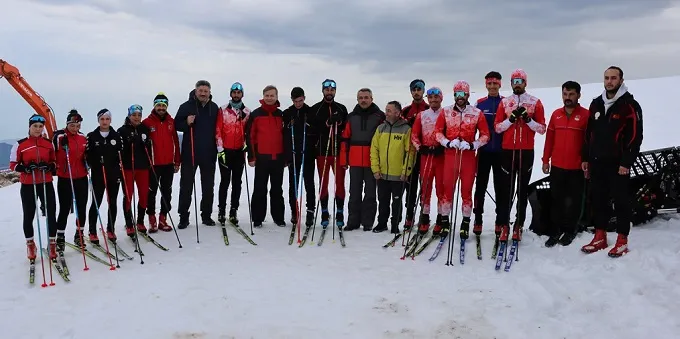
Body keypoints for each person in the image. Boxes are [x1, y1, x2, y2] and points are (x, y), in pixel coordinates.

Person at [581, 66, 643, 257]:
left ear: (621, 80)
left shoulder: (630, 105)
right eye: (607, 78)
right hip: (597, 161)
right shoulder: (596, 104)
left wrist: (626, 162)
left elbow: (635, 137)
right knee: (598, 199)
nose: (609, 81)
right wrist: (586, 158)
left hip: (618, 165)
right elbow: (588, 134)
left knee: (621, 201)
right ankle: (600, 235)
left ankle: (622, 239)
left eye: (613, 78)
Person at [493, 69, 546, 244]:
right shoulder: (505, 103)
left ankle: (519, 224)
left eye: (520, 81)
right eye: (514, 81)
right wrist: (510, 120)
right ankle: (504, 224)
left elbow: (542, 128)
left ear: (525, 83)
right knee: (506, 190)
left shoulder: (534, 102)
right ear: (511, 83)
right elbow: (497, 127)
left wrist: (528, 120)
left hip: (526, 151)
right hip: (508, 151)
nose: (517, 84)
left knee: (522, 189)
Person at [435, 81, 490, 239]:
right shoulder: (445, 112)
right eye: (457, 94)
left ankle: (465, 222)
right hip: (450, 156)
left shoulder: (476, 113)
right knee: (447, 192)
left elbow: (486, 135)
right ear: (454, 95)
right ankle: (445, 222)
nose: (460, 97)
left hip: (467, 157)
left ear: (467, 95)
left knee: (466, 192)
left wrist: (473, 145)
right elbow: (438, 132)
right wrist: (447, 142)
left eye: (463, 94)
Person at [542, 81, 590, 247]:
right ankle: (556, 230)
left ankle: (570, 230)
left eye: (571, 94)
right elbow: (549, 140)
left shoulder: (586, 115)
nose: (567, 98)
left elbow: (589, 141)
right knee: (556, 199)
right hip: (557, 166)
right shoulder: (556, 115)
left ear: (578, 95)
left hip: (577, 167)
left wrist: (587, 160)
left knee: (574, 200)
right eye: (565, 94)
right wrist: (545, 160)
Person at [11, 114, 58, 260]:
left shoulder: (48, 143)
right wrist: (24, 168)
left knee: (51, 213)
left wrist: (50, 166)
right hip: (28, 184)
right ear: (29, 127)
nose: (38, 129)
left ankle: (52, 244)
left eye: (40, 126)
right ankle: (30, 244)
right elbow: (13, 165)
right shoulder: (20, 144)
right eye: (35, 126)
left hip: (45, 182)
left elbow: (55, 162)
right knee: (29, 214)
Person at [175, 80, 220, 228]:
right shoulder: (186, 107)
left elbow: (218, 129)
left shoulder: (214, 108)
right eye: (200, 90)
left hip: (208, 154)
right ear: (195, 91)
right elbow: (176, 125)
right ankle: (183, 216)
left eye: (205, 91)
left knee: (208, 186)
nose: (203, 93)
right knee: (186, 186)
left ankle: (206, 215)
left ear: (209, 92)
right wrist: (186, 123)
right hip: (190, 153)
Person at [341, 88, 385, 231]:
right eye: (361, 98)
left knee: (371, 194)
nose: (363, 100)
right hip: (354, 161)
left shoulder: (380, 116)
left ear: (372, 98)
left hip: (372, 162)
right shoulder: (351, 117)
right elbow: (345, 139)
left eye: (366, 97)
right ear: (357, 99)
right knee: (354, 192)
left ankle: (367, 222)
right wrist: (343, 159)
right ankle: (353, 222)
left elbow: (384, 141)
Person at [370, 101, 414, 233]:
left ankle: (395, 224)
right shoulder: (380, 128)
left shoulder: (406, 129)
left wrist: (406, 171)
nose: (386, 113)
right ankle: (382, 223)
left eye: (389, 110)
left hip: (398, 175)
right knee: (382, 200)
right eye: (386, 110)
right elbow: (374, 149)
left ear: (397, 112)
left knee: (396, 202)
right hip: (382, 174)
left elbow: (410, 152)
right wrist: (375, 169)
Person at [309, 79, 349, 228]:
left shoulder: (342, 108)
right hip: (322, 152)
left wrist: (339, 123)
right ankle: (324, 212)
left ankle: (339, 212)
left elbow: (347, 129)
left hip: (338, 152)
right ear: (323, 91)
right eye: (327, 90)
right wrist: (326, 124)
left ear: (335, 91)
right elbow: (312, 129)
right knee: (323, 183)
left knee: (340, 183)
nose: (329, 92)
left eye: (332, 90)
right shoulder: (316, 109)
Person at [246, 85, 286, 227]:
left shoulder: (281, 115)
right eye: (267, 95)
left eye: (272, 95)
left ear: (276, 97)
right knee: (260, 189)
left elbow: (286, 137)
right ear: (263, 97)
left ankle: (278, 217)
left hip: (278, 158)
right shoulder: (256, 114)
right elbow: (250, 137)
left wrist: (286, 157)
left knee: (277, 189)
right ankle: (257, 218)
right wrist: (251, 156)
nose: (269, 98)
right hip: (262, 158)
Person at [472, 71, 504, 237]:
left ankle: (500, 220)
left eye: (495, 84)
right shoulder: (480, 104)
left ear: (500, 84)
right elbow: (473, 126)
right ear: (486, 85)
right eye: (490, 84)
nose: (492, 87)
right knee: (480, 187)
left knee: (501, 187)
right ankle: (478, 219)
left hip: (501, 152)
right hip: (483, 152)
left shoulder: (506, 103)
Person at [142, 92, 180, 232]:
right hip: (153, 164)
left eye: (163, 105)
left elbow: (176, 141)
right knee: (151, 192)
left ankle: (163, 218)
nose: (161, 108)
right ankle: (151, 218)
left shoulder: (171, 121)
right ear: (154, 106)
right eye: (158, 105)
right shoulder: (147, 122)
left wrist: (177, 161)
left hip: (168, 164)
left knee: (166, 192)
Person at [86, 109, 124, 242]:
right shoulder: (91, 136)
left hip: (113, 174)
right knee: (96, 202)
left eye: (107, 119)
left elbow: (121, 153)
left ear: (110, 120)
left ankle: (111, 229)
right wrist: (93, 162)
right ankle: (92, 231)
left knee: (112, 202)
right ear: (98, 120)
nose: (104, 121)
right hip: (98, 174)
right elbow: (87, 155)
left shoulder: (116, 136)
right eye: (102, 119)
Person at [411, 87, 445, 234]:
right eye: (430, 98)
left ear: (441, 98)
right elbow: (414, 135)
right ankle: (424, 218)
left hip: (441, 156)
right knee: (425, 188)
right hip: (426, 156)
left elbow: (450, 133)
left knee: (441, 189)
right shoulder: (422, 115)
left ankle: (440, 218)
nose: (433, 100)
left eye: (436, 98)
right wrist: (420, 148)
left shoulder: (447, 113)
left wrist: (444, 147)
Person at [53, 110, 88, 250]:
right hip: (65, 178)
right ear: (67, 124)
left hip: (81, 177)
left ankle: (79, 235)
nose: (74, 128)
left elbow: (85, 154)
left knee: (81, 208)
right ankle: (60, 237)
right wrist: (59, 139)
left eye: (77, 125)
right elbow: (53, 149)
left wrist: (88, 159)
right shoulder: (60, 136)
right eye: (72, 125)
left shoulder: (82, 137)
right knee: (65, 208)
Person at [215, 82, 250, 226]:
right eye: (234, 92)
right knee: (225, 181)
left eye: (239, 93)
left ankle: (233, 210)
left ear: (242, 94)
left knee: (237, 182)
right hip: (225, 151)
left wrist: (246, 144)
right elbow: (217, 130)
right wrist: (220, 149)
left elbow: (249, 132)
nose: (236, 95)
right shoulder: (222, 110)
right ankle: (221, 210)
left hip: (239, 152)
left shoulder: (247, 112)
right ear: (231, 94)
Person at [283, 86, 316, 227]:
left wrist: (309, 127)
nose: (298, 103)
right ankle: (294, 211)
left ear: (304, 98)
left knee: (309, 182)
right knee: (293, 184)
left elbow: (316, 131)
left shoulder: (310, 111)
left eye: (300, 100)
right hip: (293, 154)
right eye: (296, 101)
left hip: (307, 153)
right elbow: (284, 134)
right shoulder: (287, 113)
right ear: (292, 100)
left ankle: (310, 211)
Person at [118, 105, 153, 235]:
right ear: (129, 116)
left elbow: (149, 148)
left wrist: (147, 144)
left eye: (139, 115)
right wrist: (128, 143)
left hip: (143, 167)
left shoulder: (144, 129)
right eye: (134, 115)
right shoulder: (122, 130)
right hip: (128, 167)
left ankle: (140, 221)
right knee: (128, 195)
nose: (137, 117)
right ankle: (129, 223)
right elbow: (120, 150)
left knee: (144, 194)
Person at [400, 79, 430, 230]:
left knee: (425, 186)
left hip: (426, 153)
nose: (416, 92)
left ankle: (425, 216)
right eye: (414, 89)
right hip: (411, 154)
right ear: (411, 91)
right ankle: (409, 216)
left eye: (419, 89)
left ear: (423, 91)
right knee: (410, 187)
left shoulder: (429, 108)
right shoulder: (405, 111)